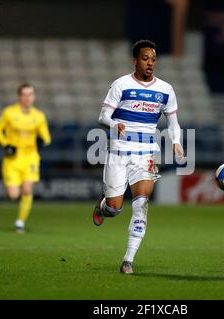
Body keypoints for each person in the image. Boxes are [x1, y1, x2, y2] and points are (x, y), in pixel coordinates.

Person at [93, 40, 184, 274]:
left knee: (141, 204)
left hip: (146, 154)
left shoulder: (165, 90)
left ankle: (128, 260)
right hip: (119, 153)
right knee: (114, 209)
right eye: (145, 59)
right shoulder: (121, 84)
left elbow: (173, 123)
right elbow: (103, 116)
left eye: (153, 59)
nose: (150, 63)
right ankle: (103, 205)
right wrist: (115, 123)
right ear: (135, 60)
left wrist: (176, 142)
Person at [0, 83, 51, 233]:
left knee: (27, 189)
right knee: (13, 195)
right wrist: (6, 144)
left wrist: (42, 140)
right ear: (19, 97)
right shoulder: (9, 112)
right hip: (12, 159)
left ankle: (20, 222)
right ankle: (14, 194)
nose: (27, 98)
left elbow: (46, 137)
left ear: (34, 97)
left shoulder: (39, 116)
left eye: (30, 94)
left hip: (30, 157)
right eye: (24, 95)